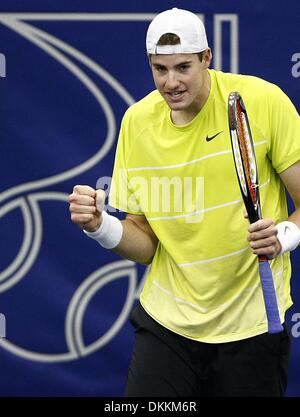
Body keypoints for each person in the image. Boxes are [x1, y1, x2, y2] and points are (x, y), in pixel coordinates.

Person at [68, 8, 300, 396]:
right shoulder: (137, 123)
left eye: (183, 68)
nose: (171, 82)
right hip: (167, 326)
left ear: (207, 58)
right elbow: (145, 243)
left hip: (251, 326)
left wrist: (284, 237)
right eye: (160, 69)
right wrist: (99, 226)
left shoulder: (263, 101)